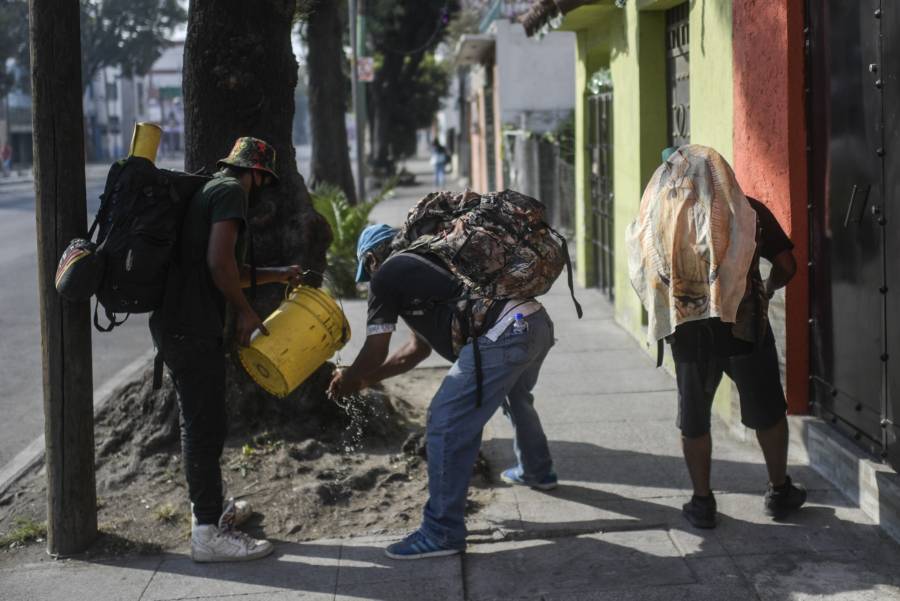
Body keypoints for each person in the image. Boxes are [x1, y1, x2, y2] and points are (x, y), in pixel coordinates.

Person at [328, 223, 557, 559]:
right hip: (534, 324)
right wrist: (365, 379)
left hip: (503, 335)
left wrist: (350, 377)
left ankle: (442, 531)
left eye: (368, 270)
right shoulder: (428, 262)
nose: (369, 281)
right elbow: (415, 350)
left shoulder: (387, 274)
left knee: (445, 420)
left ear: (373, 258)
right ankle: (537, 471)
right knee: (516, 397)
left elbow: (376, 349)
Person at [631, 145, 806, 529]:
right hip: (744, 328)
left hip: (689, 333)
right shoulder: (749, 211)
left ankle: (702, 502)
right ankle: (779, 491)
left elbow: (644, 271)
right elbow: (787, 265)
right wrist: (769, 288)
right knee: (767, 411)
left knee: (694, 418)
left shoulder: (659, 218)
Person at [150, 136, 303, 562]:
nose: (261, 189)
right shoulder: (232, 193)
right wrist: (245, 312)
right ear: (257, 173)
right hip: (191, 328)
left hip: (181, 324)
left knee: (206, 424)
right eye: (264, 181)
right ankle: (206, 534)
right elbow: (220, 264)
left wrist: (277, 274)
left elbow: (225, 266)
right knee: (202, 428)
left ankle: (211, 511)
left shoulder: (212, 188)